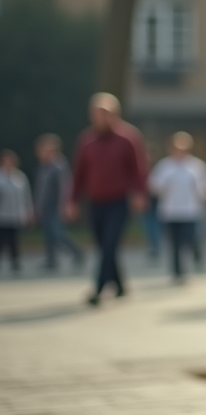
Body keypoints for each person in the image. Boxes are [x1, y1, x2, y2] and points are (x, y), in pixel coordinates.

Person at [66, 93, 149, 306]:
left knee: (110, 243)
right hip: (95, 201)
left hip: (118, 201)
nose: (100, 118)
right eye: (96, 113)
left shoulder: (128, 137)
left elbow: (138, 169)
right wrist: (72, 200)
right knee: (104, 246)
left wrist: (139, 193)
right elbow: (79, 173)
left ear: (114, 114)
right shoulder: (87, 140)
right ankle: (120, 284)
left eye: (104, 113)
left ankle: (99, 287)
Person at [148, 131, 206, 283]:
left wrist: (203, 196)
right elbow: (154, 186)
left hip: (190, 210)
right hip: (170, 211)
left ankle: (196, 253)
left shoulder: (196, 166)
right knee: (174, 243)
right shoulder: (164, 166)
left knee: (189, 238)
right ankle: (178, 272)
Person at [33, 134, 84, 271]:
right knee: (48, 234)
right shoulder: (44, 167)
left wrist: (65, 205)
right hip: (45, 207)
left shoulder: (59, 166)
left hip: (56, 206)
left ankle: (77, 252)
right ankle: (51, 259)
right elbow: (40, 190)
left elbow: (65, 187)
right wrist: (37, 207)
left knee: (58, 233)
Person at [0, 149, 33, 274]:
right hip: (2, 214)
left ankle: (15, 262)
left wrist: (29, 210)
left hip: (16, 214)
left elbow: (26, 196)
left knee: (14, 240)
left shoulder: (20, 177)